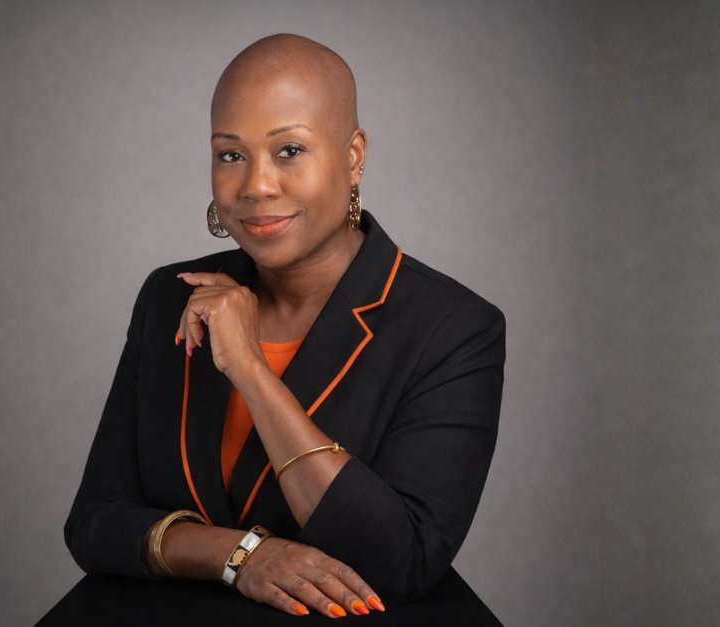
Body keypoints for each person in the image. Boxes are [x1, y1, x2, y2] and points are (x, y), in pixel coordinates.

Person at [64, 34, 505, 618]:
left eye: (289, 150)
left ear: (353, 157)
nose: (255, 186)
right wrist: (239, 555)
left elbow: (404, 561)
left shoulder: (453, 328)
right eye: (230, 154)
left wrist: (251, 371)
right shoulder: (170, 297)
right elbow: (96, 523)